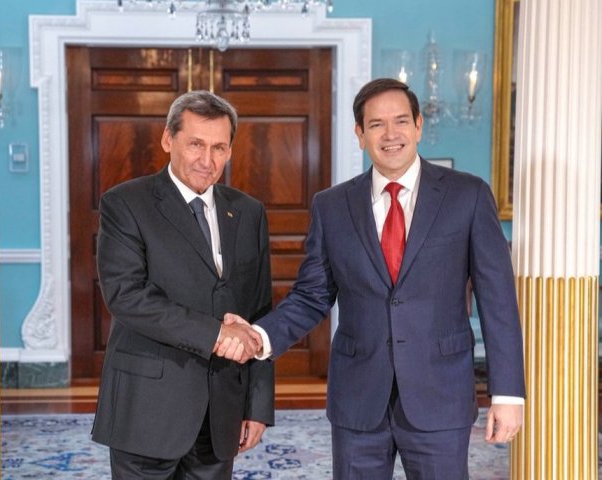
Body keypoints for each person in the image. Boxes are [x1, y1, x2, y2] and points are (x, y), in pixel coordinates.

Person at [216, 78, 525, 479]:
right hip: (358, 399)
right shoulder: (331, 206)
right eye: (377, 124)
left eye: (401, 121)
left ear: (418, 125)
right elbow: (311, 296)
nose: (391, 134)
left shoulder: (468, 195)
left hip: (441, 393)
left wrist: (507, 393)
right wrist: (259, 336)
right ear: (360, 134)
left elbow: (498, 299)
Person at [92, 90, 273, 479]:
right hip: (147, 409)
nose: (207, 160)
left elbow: (259, 312)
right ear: (167, 139)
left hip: (221, 410)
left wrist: (257, 405)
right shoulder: (125, 204)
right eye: (195, 144)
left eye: (219, 148)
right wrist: (216, 334)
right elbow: (127, 296)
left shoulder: (248, 212)